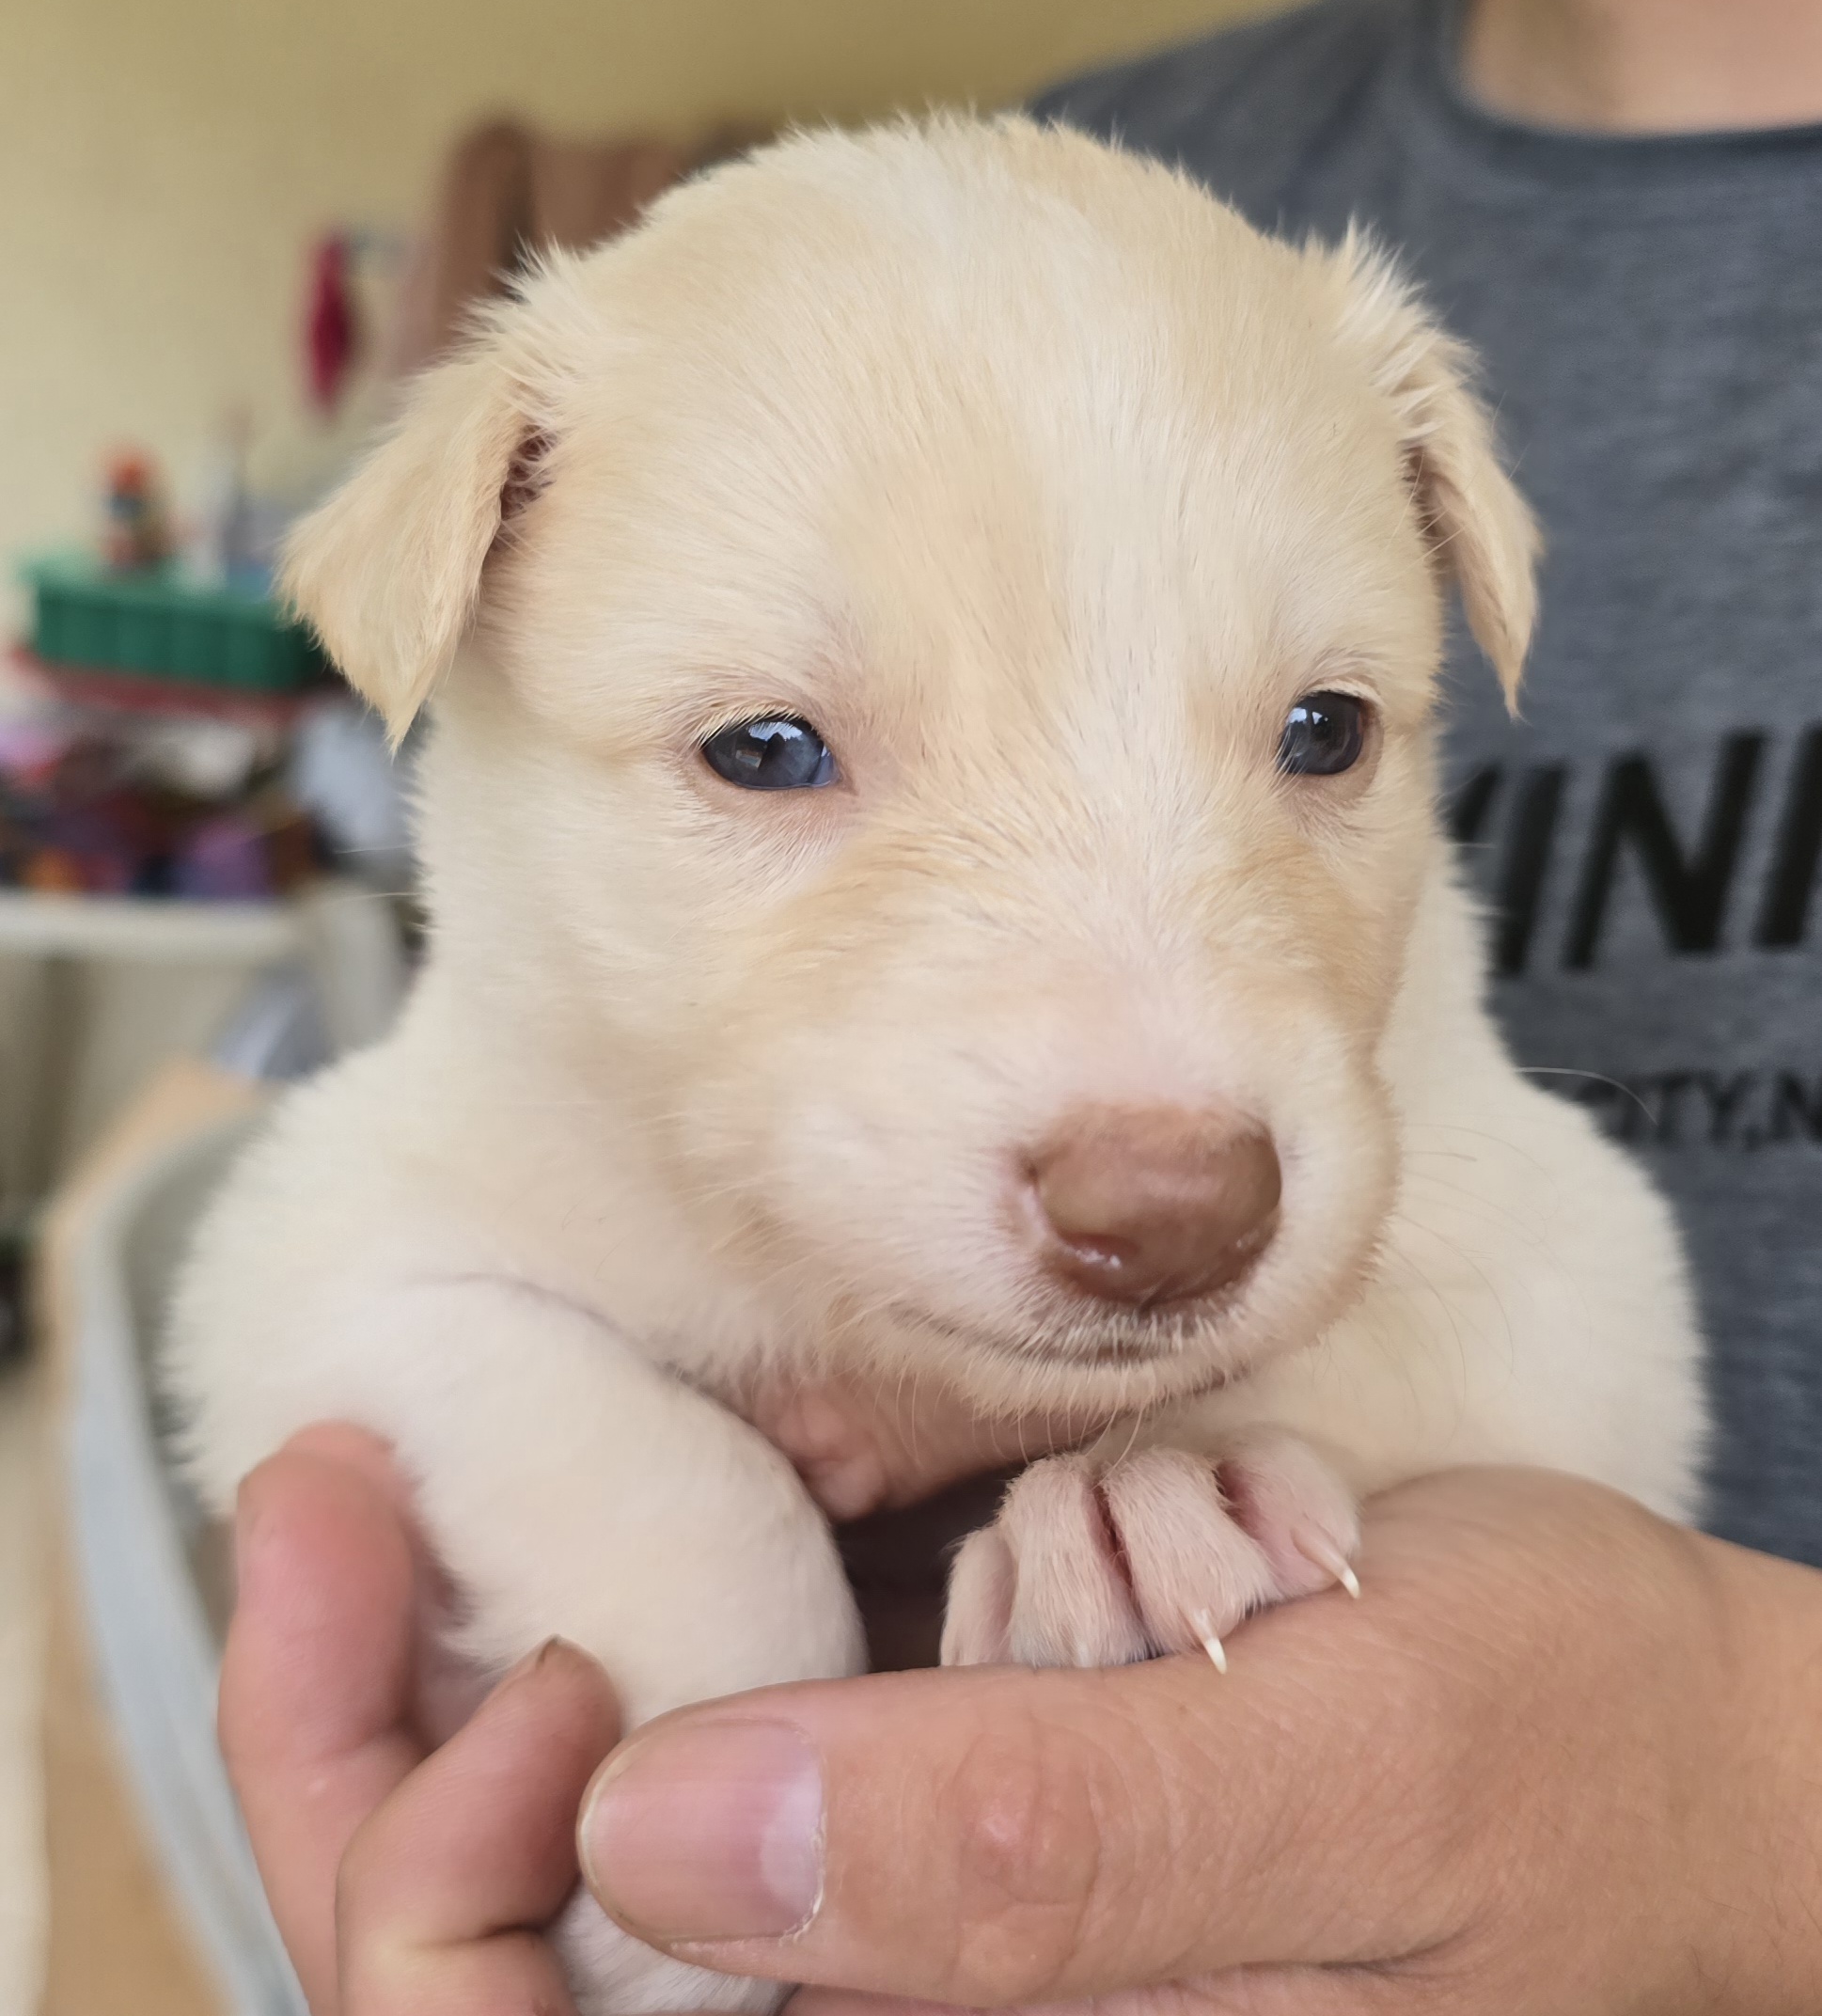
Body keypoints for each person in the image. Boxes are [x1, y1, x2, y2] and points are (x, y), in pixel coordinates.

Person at [219, 2, 1822, 2008]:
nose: (1163, 1144)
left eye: (1316, 735)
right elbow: (331, 1277)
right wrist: (700, 1626)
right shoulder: (1079, 161)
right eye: (777, 751)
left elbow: (1575, 1306)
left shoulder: (1281, 326)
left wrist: (1730, 1796)